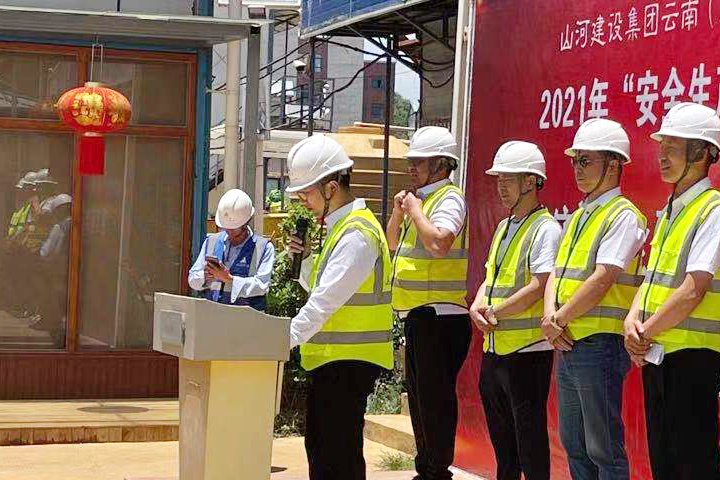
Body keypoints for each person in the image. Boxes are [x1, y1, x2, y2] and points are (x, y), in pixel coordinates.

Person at [541, 118, 646, 480]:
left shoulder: (623, 215)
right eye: (575, 160)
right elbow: (557, 272)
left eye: (586, 160)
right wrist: (550, 317)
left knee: (604, 449)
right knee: (575, 444)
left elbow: (603, 279)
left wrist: (557, 320)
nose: (577, 168)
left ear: (613, 164)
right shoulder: (580, 216)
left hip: (600, 344)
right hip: (569, 341)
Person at [285, 134, 393, 480]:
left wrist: (280, 340)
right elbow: (321, 287)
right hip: (332, 361)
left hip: (347, 363)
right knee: (323, 452)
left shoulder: (357, 234)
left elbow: (323, 303)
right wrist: (303, 259)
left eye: (306, 192)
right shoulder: (339, 229)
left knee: (336, 460)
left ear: (331, 187)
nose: (302, 200)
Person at [624, 102, 720, 480]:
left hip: (693, 358)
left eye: (673, 147)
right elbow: (651, 280)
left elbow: (693, 289)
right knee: (664, 465)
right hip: (658, 355)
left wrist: (644, 332)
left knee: (693, 466)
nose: (661, 156)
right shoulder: (671, 211)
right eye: (661, 146)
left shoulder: (712, 209)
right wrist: (632, 322)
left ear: (702, 153)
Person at [470, 141, 560, 480]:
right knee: (504, 446)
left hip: (527, 352)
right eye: (499, 179)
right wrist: (477, 306)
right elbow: (490, 277)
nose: (501, 187)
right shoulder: (504, 226)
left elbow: (540, 284)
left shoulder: (545, 228)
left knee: (530, 442)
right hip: (495, 349)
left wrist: (495, 311)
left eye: (508, 179)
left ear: (531, 181)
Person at [386, 126, 470, 480]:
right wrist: (400, 212)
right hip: (420, 317)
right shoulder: (420, 201)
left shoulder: (449, 199)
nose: (411, 168)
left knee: (434, 404)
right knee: (420, 402)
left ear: (440, 164)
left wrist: (416, 211)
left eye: (418, 161)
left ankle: (436, 472)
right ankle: (426, 469)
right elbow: (392, 244)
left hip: (441, 317)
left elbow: (439, 243)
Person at [188, 188, 275, 311]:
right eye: (225, 227)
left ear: (246, 222)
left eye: (234, 228)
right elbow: (192, 279)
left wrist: (230, 279)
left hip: (247, 318)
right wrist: (206, 276)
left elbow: (261, 286)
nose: (229, 231)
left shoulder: (263, 248)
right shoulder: (211, 242)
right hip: (212, 315)